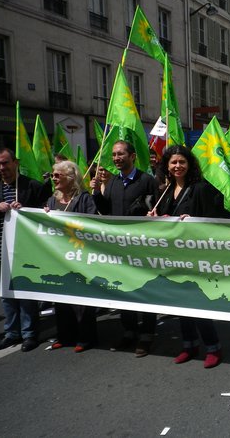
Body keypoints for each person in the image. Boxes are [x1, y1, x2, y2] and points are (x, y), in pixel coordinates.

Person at [148, 145, 230, 368]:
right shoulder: (165, 191)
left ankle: (213, 347)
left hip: (196, 256)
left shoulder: (201, 188)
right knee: (180, 304)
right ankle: (189, 345)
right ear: (166, 165)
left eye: (181, 162)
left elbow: (215, 220)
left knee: (197, 302)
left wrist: (193, 220)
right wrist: (155, 218)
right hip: (174, 257)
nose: (177, 166)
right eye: (173, 162)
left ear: (189, 164)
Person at [91, 140, 159, 358]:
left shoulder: (147, 181)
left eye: (121, 154)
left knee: (145, 289)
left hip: (142, 247)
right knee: (123, 290)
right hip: (118, 249)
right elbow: (105, 210)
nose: (116, 158)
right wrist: (95, 193)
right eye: (114, 155)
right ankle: (129, 331)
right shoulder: (112, 183)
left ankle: (147, 335)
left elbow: (156, 212)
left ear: (132, 157)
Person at [0, 148, 46, 352]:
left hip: (24, 250)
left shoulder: (31, 186)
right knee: (6, 295)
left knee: (25, 292)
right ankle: (11, 333)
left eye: (5, 163)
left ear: (15, 162)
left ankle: (30, 334)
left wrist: (26, 210)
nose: (1, 168)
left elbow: (46, 211)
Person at [45, 161, 98, 352]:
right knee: (61, 298)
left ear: (71, 177)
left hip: (80, 257)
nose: (54, 178)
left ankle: (86, 338)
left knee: (81, 301)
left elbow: (92, 225)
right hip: (58, 257)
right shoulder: (52, 200)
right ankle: (65, 336)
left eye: (58, 175)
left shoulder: (84, 199)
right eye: (53, 175)